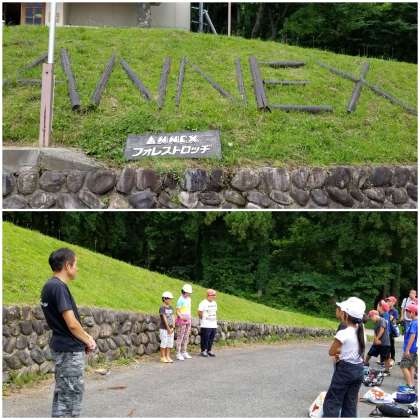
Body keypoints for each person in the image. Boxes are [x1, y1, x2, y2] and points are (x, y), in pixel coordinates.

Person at [40, 248, 96, 418]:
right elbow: (71, 324)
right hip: (69, 352)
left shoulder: (49, 286)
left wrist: (85, 337)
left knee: (63, 396)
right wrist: (88, 340)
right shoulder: (58, 287)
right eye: (75, 264)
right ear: (67, 265)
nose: (77, 268)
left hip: (62, 348)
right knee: (70, 399)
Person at [322, 297, 366, 418]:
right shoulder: (361, 331)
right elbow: (355, 349)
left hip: (345, 370)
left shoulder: (343, 333)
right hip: (359, 369)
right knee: (350, 403)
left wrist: (340, 351)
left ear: (345, 315)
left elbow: (331, 352)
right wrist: (344, 350)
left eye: (342, 310)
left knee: (333, 401)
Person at [365, 309, 391, 375]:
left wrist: (377, 339)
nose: (371, 319)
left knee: (386, 357)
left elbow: (382, 330)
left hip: (384, 342)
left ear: (375, 315)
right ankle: (365, 363)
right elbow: (375, 332)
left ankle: (387, 371)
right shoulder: (375, 322)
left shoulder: (382, 320)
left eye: (371, 317)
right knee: (370, 353)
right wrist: (375, 340)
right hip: (377, 342)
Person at [400, 303, 417, 390]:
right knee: (411, 366)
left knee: (403, 366)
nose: (406, 313)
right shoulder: (414, 322)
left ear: (413, 313)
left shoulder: (414, 323)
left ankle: (410, 386)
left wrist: (407, 350)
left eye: (408, 311)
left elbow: (412, 336)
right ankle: (411, 384)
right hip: (413, 349)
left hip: (411, 349)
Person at [175, 284, 193, 361]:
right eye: (188, 293)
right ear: (184, 291)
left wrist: (189, 317)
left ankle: (184, 351)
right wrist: (181, 317)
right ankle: (178, 353)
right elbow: (177, 311)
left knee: (186, 336)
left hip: (188, 319)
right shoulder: (180, 300)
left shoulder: (189, 299)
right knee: (180, 337)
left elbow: (188, 309)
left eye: (189, 293)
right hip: (182, 320)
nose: (189, 294)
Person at [198, 289, 218, 357]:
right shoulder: (203, 303)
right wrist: (203, 319)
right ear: (208, 295)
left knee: (211, 338)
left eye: (215, 295)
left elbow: (215, 312)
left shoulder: (214, 303)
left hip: (213, 324)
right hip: (206, 324)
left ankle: (209, 350)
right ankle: (203, 351)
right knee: (205, 338)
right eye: (213, 295)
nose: (214, 296)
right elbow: (199, 312)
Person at [159, 291, 175, 363]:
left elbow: (173, 316)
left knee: (170, 343)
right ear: (164, 299)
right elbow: (164, 318)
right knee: (164, 342)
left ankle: (168, 356)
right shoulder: (162, 308)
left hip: (171, 328)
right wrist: (168, 328)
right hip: (164, 328)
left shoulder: (171, 307)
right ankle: (162, 357)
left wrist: (173, 327)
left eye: (171, 299)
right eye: (169, 299)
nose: (170, 300)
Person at [385, 296, 399, 366]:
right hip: (385, 330)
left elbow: (395, 322)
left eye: (389, 301)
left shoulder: (395, 311)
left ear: (393, 303)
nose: (388, 302)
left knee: (391, 346)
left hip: (391, 331)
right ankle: (385, 359)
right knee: (385, 345)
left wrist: (392, 319)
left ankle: (392, 359)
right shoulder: (385, 309)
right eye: (387, 301)